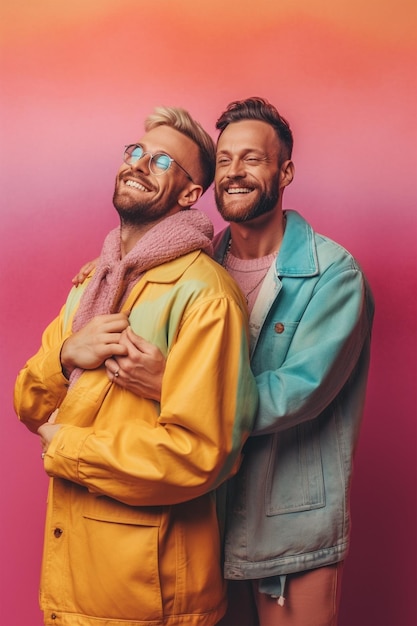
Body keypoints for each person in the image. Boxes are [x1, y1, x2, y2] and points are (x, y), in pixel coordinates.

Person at [72, 97, 375, 626]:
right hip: (200, 519)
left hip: (285, 526)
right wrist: (108, 271)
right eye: (227, 160)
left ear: (285, 171)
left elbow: (295, 394)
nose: (235, 172)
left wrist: (175, 385)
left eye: (253, 159)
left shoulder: (334, 275)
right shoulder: (195, 268)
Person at [14, 105, 259, 626]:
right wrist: (63, 358)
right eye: (135, 152)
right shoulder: (92, 284)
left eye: (163, 161)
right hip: (73, 583)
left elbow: (201, 453)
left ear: (192, 194)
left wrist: (68, 447)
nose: (139, 164)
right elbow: (30, 406)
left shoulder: (206, 295)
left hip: (150, 599)